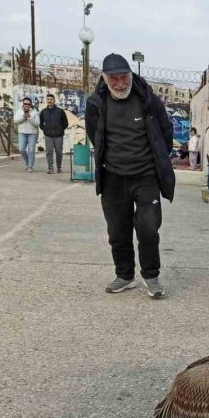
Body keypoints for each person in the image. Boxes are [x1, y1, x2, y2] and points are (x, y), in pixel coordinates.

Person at [85, 53, 175, 299]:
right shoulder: (96, 103)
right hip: (113, 177)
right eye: (114, 79)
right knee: (117, 231)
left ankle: (151, 276)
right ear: (105, 78)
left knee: (148, 228)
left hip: (146, 176)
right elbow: (95, 135)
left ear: (131, 76)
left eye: (124, 77)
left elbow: (165, 133)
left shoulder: (148, 100)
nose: (120, 84)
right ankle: (125, 275)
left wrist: (157, 159)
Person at [39, 93, 68, 174]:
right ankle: (50, 167)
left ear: (54, 101)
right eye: (48, 99)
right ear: (46, 101)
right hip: (48, 136)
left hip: (59, 136)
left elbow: (65, 123)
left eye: (51, 99)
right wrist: (45, 129)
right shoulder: (43, 112)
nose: (49, 101)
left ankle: (59, 167)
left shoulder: (60, 111)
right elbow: (41, 123)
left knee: (59, 152)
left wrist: (60, 129)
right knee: (49, 152)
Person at [16, 97, 40, 172]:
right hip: (22, 133)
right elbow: (15, 121)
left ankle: (30, 166)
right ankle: (27, 162)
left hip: (32, 133)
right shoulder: (19, 111)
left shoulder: (35, 112)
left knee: (31, 150)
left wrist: (30, 118)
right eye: (25, 104)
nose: (27, 105)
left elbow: (37, 124)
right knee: (21, 149)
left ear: (30, 105)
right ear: (23, 104)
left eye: (28, 104)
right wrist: (23, 118)